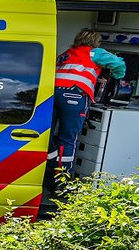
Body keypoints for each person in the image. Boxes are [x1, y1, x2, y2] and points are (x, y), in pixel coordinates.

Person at [50, 28, 126, 165]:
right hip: (73, 95)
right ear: (95, 41)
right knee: (67, 139)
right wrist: (116, 77)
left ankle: (51, 162)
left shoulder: (66, 54)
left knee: (46, 135)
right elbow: (119, 64)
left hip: (52, 95)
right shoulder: (94, 52)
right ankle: (63, 179)